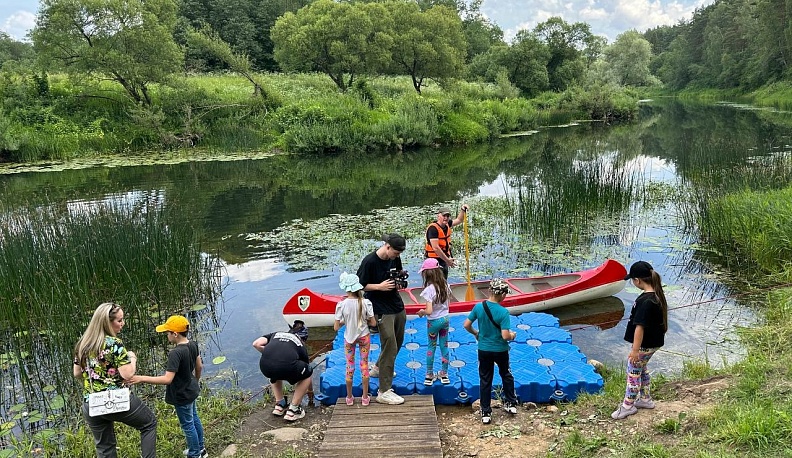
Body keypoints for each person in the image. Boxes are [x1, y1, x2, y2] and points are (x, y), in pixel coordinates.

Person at [72, 302, 157, 458]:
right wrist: (132, 357)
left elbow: (77, 373)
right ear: (107, 322)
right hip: (116, 400)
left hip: (91, 403)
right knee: (149, 424)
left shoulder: (83, 344)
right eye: (119, 320)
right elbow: (128, 374)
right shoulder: (114, 344)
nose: (123, 323)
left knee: (104, 447)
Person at [128, 315, 207, 458]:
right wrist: (195, 381)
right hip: (191, 390)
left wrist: (141, 378)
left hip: (181, 395)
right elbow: (199, 366)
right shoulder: (193, 344)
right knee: (194, 418)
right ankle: (201, 449)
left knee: (188, 425)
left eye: (167, 332)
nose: (166, 335)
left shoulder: (175, 353)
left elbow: (167, 379)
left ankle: (195, 454)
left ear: (175, 334)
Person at [612, 261, 668, 420]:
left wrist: (635, 350)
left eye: (632, 279)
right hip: (653, 343)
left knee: (633, 372)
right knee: (642, 369)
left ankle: (627, 406)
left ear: (637, 281)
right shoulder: (656, 296)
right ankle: (645, 400)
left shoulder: (645, 301)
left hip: (644, 345)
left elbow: (640, 327)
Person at [356, 233, 407, 405]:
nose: (397, 256)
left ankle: (378, 368)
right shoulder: (370, 261)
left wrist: (399, 282)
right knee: (390, 345)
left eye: (399, 254)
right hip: (379, 307)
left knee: (398, 340)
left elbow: (397, 274)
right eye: (395, 253)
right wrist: (379, 286)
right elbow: (359, 285)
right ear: (387, 246)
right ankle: (384, 391)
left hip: (396, 303)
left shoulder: (395, 258)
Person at [463, 279, 518, 425]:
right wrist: (513, 335)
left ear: (489, 291)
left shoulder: (479, 307)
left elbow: (466, 325)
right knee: (506, 374)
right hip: (500, 350)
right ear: (503, 295)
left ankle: (486, 411)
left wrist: (476, 333)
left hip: (484, 349)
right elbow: (505, 336)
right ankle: (510, 403)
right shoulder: (503, 312)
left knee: (485, 379)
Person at [252, 322, 312, 421]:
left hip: (266, 367)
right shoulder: (299, 342)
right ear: (303, 338)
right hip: (286, 367)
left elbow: (256, 344)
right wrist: (310, 391)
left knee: (275, 371)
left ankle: (280, 405)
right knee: (307, 373)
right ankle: (293, 410)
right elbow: (307, 370)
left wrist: (268, 353)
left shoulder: (275, 334)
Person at [334, 272, 376, 406]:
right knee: (364, 365)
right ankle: (364, 398)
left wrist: (345, 321)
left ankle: (350, 398)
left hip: (349, 339)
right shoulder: (366, 303)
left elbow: (336, 327)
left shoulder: (341, 305)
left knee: (349, 367)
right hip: (364, 337)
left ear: (346, 288)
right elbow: (373, 323)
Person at [416, 258, 451, 386]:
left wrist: (422, 312)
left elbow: (429, 310)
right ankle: (444, 374)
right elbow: (447, 304)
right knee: (444, 346)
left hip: (433, 322)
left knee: (431, 347)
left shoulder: (429, 290)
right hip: (445, 319)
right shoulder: (446, 286)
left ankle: (429, 374)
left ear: (426, 274)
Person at [424, 204, 469, 278]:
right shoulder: (433, 229)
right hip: (433, 261)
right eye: (444, 216)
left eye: (447, 216)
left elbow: (459, 220)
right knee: (436, 282)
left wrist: (462, 210)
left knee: (443, 281)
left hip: (443, 259)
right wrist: (448, 260)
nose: (446, 218)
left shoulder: (447, 224)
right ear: (438, 216)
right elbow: (435, 248)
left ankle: (443, 289)